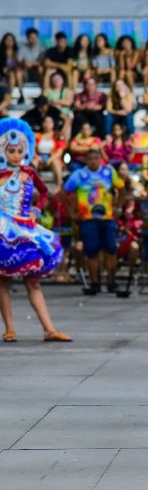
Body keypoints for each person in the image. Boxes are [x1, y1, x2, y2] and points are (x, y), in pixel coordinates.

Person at [0, 119, 70, 343]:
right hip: (3, 229)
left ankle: (49, 329)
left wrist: (36, 210)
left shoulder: (29, 172)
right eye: (11, 151)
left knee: (33, 281)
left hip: (26, 228)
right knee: (2, 281)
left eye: (20, 151)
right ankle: (10, 328)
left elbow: (44, 193)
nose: (16, 155)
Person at [63, 149, 125, 294]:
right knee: (92, 251)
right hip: (88, 219)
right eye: (90, 159)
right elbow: (64, 192)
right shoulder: (78, 175)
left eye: (96, 158)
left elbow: (121, 189)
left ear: (100, 159)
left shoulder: (109, 173)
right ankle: (95, 283)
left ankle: (111, 282)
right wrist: (72, 212)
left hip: (108, 218)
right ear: (86, 160)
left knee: (111, 249)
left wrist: (118, 208)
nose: (93, 161)